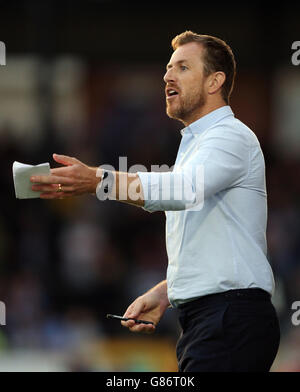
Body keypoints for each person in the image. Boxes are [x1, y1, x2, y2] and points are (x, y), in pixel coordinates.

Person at [30, 31, 280, 372]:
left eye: (182, 67)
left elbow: (181, 191)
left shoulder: (231, 136)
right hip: (212, 320)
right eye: (167, 68)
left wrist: (98, 180)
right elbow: (215, 241)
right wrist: (168, 291)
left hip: (230, 319)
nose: (167, 76)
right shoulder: (197, 144)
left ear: (214, 81)